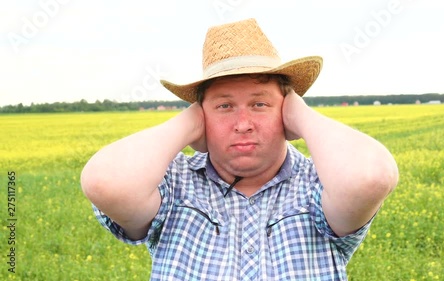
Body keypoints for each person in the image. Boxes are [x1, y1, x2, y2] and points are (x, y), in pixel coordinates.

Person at [81, 18, 399, 280]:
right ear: (200, 116)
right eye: (225, 106)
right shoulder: (175, 183)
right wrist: (189, 124)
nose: (243, 123)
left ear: (287, 112)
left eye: (260, 104)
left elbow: (371, 177)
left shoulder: (319, 183)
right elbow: (104, 182)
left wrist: (300, 115)